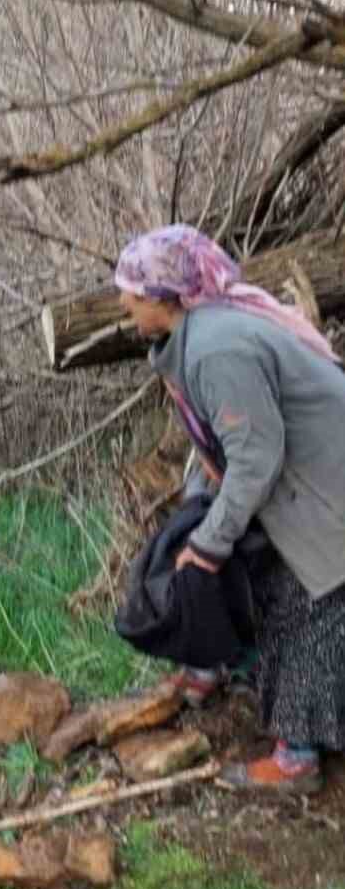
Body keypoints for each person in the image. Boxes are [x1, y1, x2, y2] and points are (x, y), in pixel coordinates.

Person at [115, 224, 345, 794]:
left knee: (302, 605)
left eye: (130, 293)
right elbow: (224, 445)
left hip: (324, 491)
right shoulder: (202, 332)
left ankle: (297, 755)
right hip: (308, 479)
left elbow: (256, 457)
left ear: (163, 298)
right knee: (246, 574)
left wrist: (210, 539)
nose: (122, 304)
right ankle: (222, 669)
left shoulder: (217, 348)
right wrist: (204, 511)